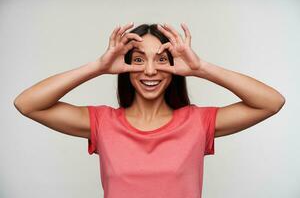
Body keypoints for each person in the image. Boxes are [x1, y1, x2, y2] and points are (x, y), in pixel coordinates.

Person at [13, 22, 285, 198]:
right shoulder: (102, 122)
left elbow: (271, 102)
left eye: (161, 60)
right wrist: (98, 66)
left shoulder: (198, 122)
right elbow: (27, 103)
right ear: (125, 67)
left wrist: (201, 68)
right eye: (139, 60)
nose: (151, 70)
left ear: (174, 67)